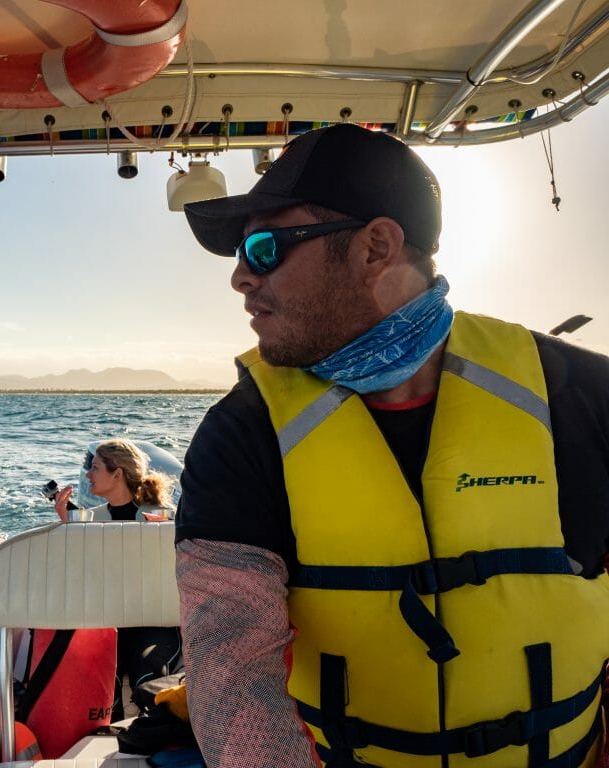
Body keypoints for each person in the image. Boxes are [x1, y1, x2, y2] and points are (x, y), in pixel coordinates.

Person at [175, 123, 609, 767]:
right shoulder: (241, 433)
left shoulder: (584, 394)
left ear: (376, 246)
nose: (240, 277)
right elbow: (232, 673)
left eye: (263, 249)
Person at [54, 439, 182, 720]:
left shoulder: (162, 517)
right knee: (98, 675)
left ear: (117, 474)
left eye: (95, 467)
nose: (88, 473)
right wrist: (69, 531)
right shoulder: (86, 521)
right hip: (109, 624)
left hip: (153, 622)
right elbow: (81, 578)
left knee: (149, 673)